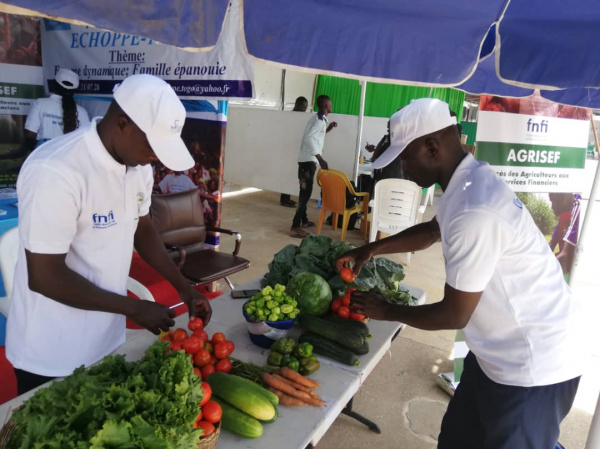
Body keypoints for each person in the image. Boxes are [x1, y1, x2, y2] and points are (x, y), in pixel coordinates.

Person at [337, 98, 585, 448]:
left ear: (432, 147)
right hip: (492, 357)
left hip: (533, 367)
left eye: (405, 158)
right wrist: (372, 248)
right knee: (457, 438)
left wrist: (385, 310)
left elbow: (454, 314)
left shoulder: (476, 208)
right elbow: (432, 231)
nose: (404, 169)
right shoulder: (465, 182)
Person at [6, 74, 212, 395]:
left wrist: (184, 288)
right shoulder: (56, 171)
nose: (156, 157)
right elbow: (44, 277)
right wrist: (134, 308)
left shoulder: (138, 166)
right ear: (122, 123)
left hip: (105, 339)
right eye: (153, 145)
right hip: (51, 351)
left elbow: (142, 228)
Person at [290, 95, 337, 238]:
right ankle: (295, 226)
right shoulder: (318, 121)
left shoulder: (319, 119)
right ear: (326, 106)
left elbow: (317, 136)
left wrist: (328, 128)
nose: (331, 105)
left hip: (307, 161)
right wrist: (320, 158)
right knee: (305, 194)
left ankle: (303, 221)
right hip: (308, 163)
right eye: (330, 104)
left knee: (304, 192)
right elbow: (310, 139)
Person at [23, 68, 90, 151]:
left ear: (54, 85)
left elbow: (30, 134)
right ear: (75, 90)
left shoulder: (40, 104)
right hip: (69, 160)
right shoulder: (82, 113)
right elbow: (85, 141)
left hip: (43, 157)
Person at [280, 96, 309, 208]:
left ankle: (286, 198)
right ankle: (284, 199)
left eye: (306, 107)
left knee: (292, 176)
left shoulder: (300, 117)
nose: (305, 109)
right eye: (303, 107)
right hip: (287, 150)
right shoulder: (290, 117)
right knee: (287, 175)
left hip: (296, 151)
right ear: (297, 105)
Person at [549, 192, 581, 276]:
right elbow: (551, 244)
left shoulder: (570, 214)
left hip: (569, 270)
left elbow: (564, 256)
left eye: (553, 201)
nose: (552, 207)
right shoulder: (564, 216)